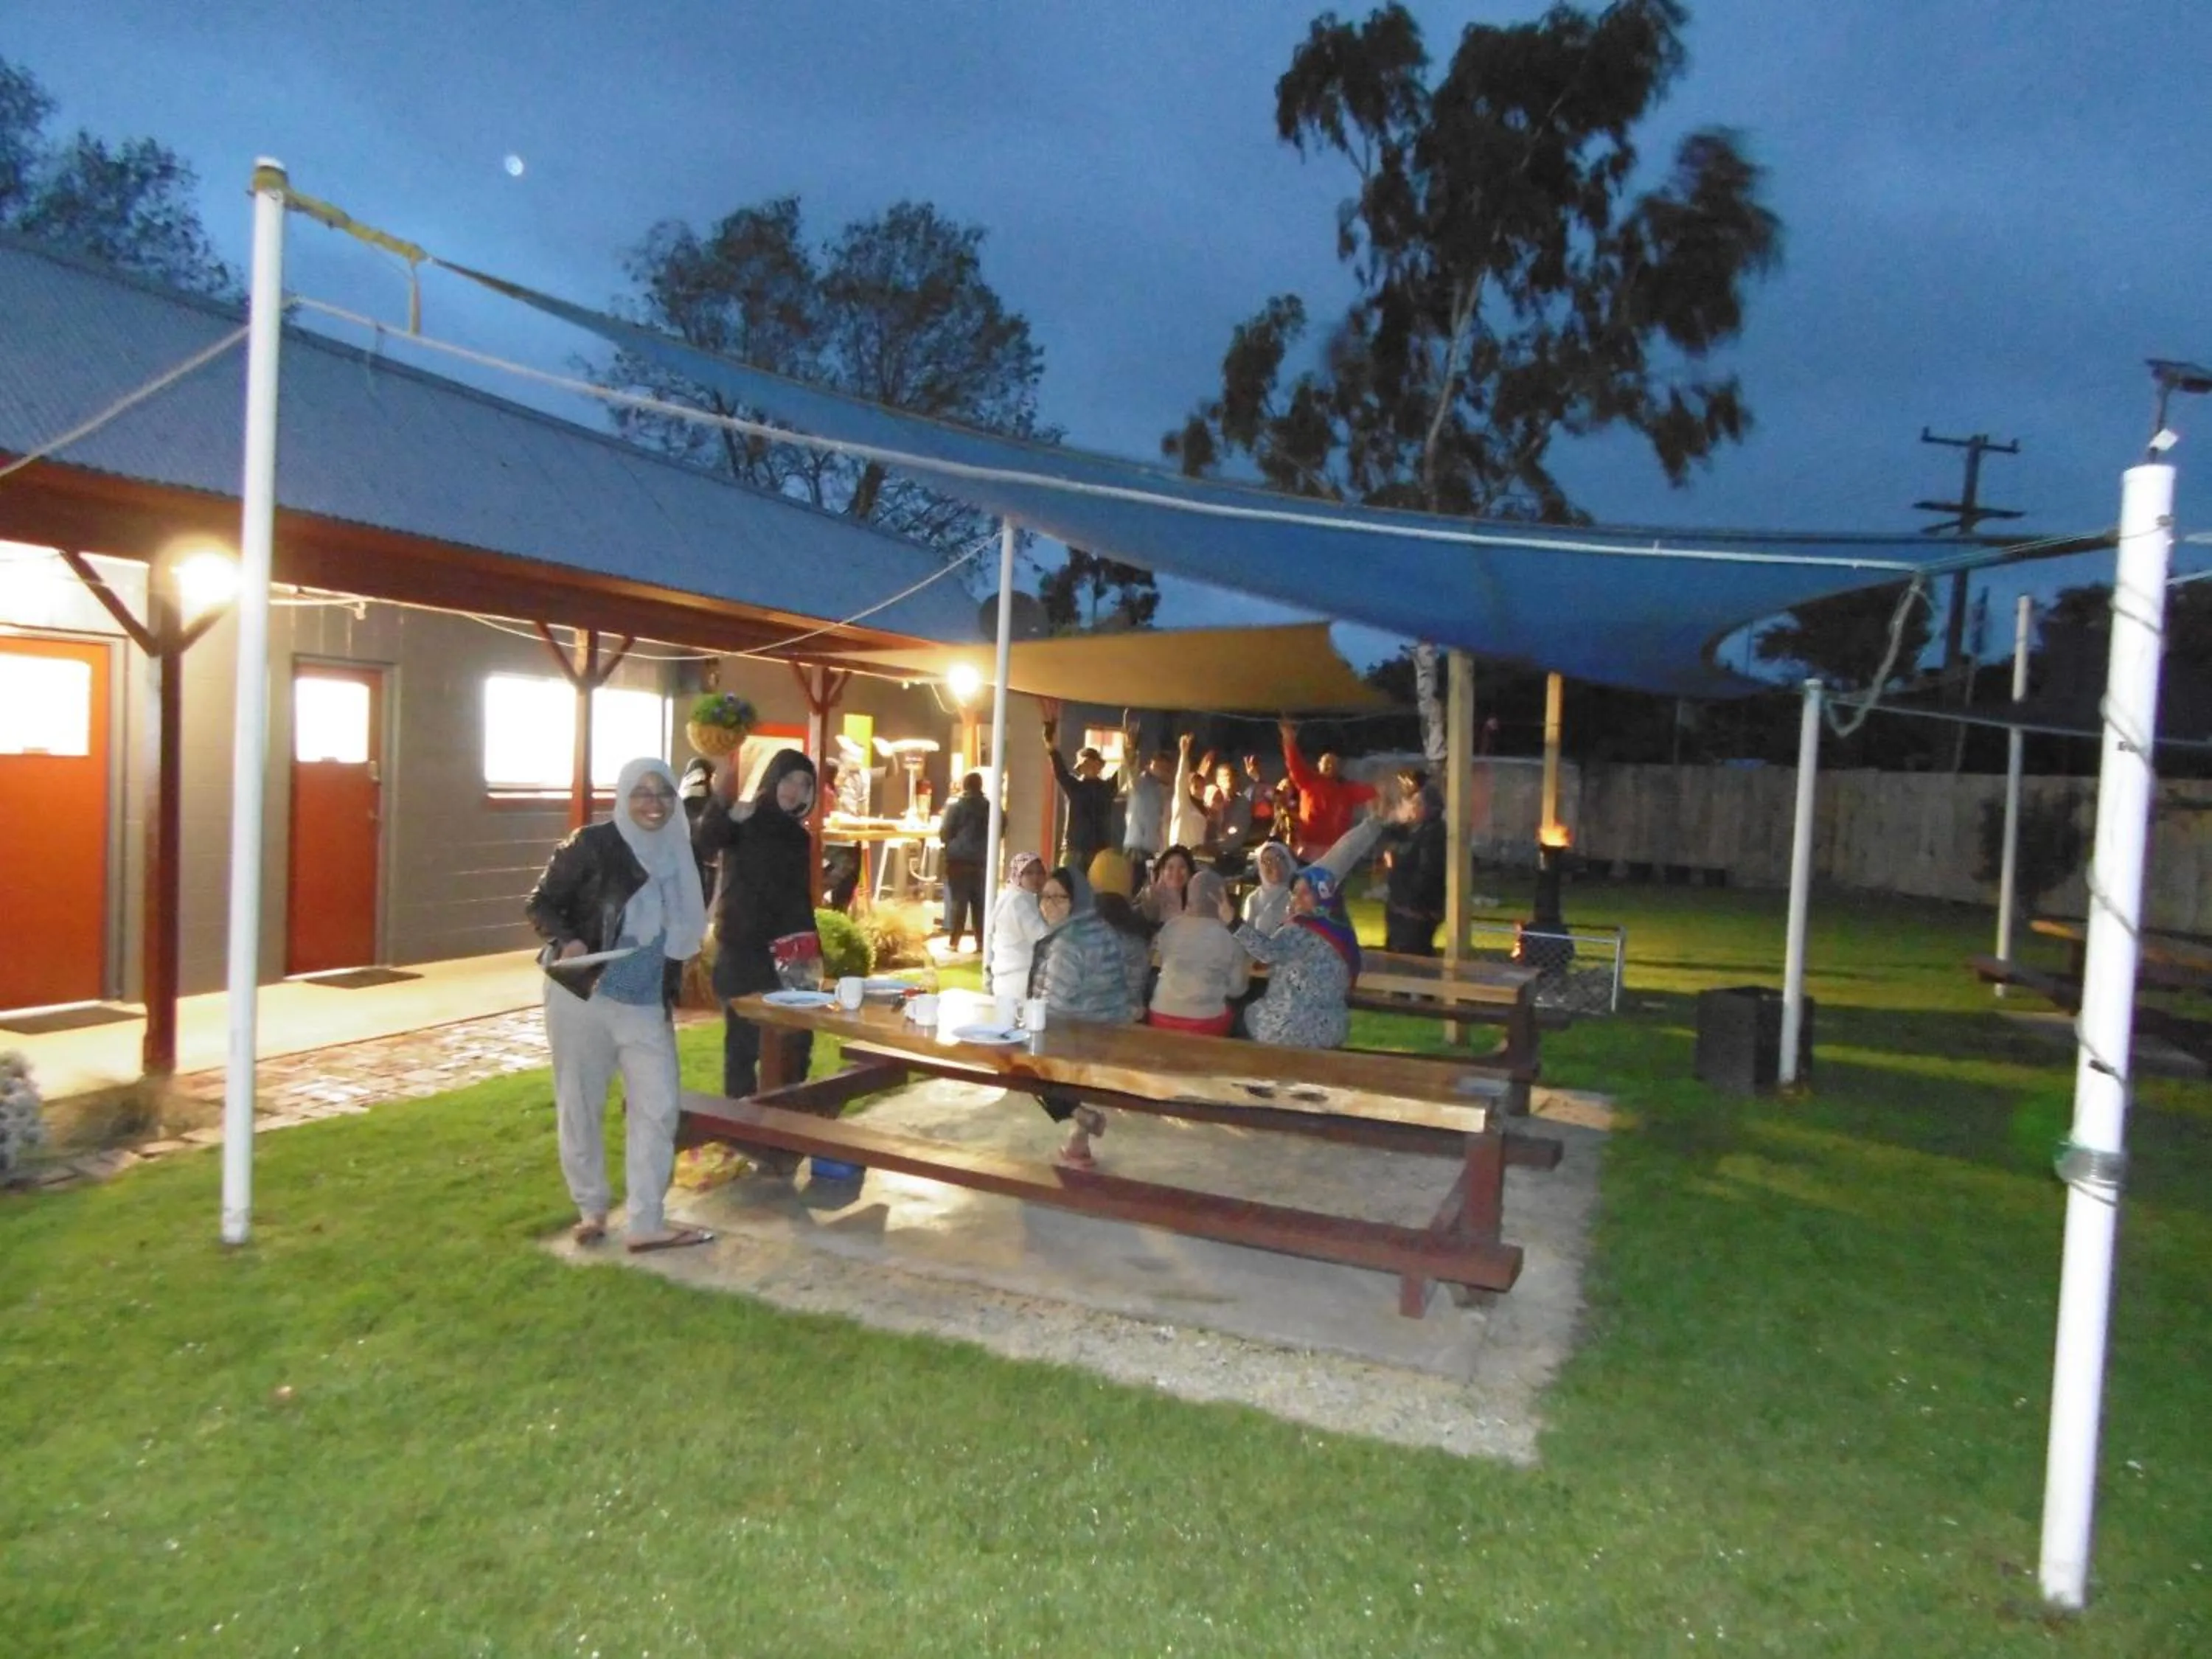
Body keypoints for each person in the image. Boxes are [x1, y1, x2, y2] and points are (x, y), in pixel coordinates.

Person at [526, 757, 710, 1252]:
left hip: (644, 1001)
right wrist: (567, 939)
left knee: (658, 1105)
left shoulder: (679, 855)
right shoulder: (593, 845)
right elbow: (541, 903)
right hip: (583, 993)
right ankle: (591, 1208)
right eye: (642, 792)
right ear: (624, 796)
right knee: (580, 1103)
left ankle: (647, 1221)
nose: (653, 803)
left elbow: (685, 930)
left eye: (663, 793)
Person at [694, 746, 820, 1104]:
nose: (794, 790)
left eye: (803, 783)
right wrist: (725, 809)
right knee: (743, 1047)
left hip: (792, 951)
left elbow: (798, 900)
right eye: (789, 780)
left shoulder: (800, 837)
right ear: (773, 779)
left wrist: (809, 957)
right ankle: (743, 1132)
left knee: (796, 1043)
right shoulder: (743, 818)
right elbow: (704, 842)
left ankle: (785, 1126)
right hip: (742, 951)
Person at [1029, 852, 1150, 1166]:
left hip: (1081, 1031)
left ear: (1077, 899)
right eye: (1045, 897)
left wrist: (1026, 1022)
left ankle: (1082, 1117)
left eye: (1059, 898)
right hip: (1108, 1027)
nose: (1049, 905)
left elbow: (1053, 1004)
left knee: (1024, 1067)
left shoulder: (1069, 941)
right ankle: (1078, 1140)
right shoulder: (1098, 926)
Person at [1236, 865, 1359, 1049]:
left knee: (1238, 1016)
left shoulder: (1298, 929)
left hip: (1285, 1028)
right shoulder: (1344, 932)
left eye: (1306, 892)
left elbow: (1267, 953)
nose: (1297, 899)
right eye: (1295, 893)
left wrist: (1233, 923)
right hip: (1330, 1031)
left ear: (1322, 895)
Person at [1149, 868, 1251, 1035]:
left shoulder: (1171, 926)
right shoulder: (1232, 936)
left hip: (1161, 1015)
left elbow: (1161, 959)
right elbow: (1237, 989)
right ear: (1223, 900)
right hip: (1206, 1023)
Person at [1279, 718, 1377, 860]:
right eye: (1326, 762)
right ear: (1319, 765)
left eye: (1334, 762)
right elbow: (1294, 763)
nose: (1330, 765)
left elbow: (1372, 791)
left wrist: (1392, 787)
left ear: (1340, 767)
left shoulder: (1346, 789)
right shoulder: (1308, 780)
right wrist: (1288, 739)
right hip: (1307, 847)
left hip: (1334, 851)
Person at [1042, 713, 1126, 874]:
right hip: (1074, 849)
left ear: (1100, 766)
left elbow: (1123, 771)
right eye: (1086, 764)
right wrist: (1050, 746)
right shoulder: (1074, 786)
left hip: (1099, 852)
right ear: (1080, 768)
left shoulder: (1106, 788)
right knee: (1068, 889)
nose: (1090, 767)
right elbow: (1060, 771)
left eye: (1093, 763)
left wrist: (1130, 752)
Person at [1383, 783, 1449, 955]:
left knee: (1411, 957)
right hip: (1404, 906)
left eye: (1419, 804)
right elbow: (1391, 832)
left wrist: (1395, 866)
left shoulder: (1433, 834)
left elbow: (1426, 874)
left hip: (1415, 912)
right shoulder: (1416, 830)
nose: (1413, 808)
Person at [936, 770, 990, 952]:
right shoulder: (990, 807)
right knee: (980, 903)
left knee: (959, 901)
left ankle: (954, 941)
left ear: (964, 786)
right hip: (982, 860)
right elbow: (1001, 827)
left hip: (958, 859)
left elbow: (944, 831)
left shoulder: (956, 807)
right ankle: (981, 942)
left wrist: (950, 846)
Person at [987, 851, 1051, 997]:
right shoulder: (1020, 903)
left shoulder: (1011, 896)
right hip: (1019, 980)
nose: (1036, 877)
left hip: (1007, 980)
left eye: (1040, 872)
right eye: (1029, 873)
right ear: (1018, 876)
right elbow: (1044, 939)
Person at [1122, 748, 1174, 882]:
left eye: (1167, 768)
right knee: (1136, 885)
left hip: (1154, 851)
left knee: (1150, 886)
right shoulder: (1141, 782)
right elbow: (1130, 773)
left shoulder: (1166, 790)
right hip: (1137, 848)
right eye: (1160, 766)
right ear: (1152, 764)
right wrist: (1131, 754)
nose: (1164, 771)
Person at [1206, 760, 1256, 872]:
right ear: (1217, 780)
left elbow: (1239, 830)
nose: (1228, 779)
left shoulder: (1243, 803)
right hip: (1209, 857)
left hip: (1233, 857)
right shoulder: (1210, 800)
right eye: (1224, 776)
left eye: (1231, 776)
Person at [1243, 839, 1298, 934]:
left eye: (1279, 858)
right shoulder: (1254, 899)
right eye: (1267, 861)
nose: (1274, 865)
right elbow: (1246, 935)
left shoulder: (1299, 894)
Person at [1137, 844, 1196, 928]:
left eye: (1182, 867)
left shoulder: (1196, 901)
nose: (1176, 873)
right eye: (1170, 867)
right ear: (1162, 872)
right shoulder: (1150, 896)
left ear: (1190, 873)